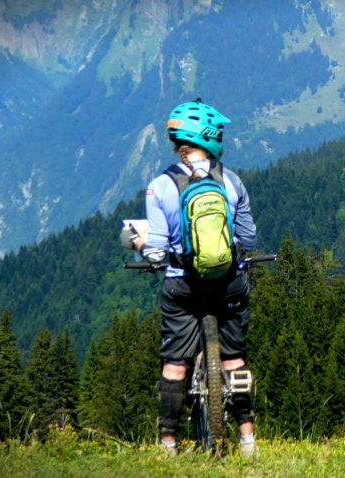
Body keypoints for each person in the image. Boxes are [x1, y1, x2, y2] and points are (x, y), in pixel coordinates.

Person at [130, 99, 258, 456]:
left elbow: (156, 252)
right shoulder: (231, 182)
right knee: (234, 359)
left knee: (174, 362)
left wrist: (138, 242)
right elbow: (248, 239)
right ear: (209, 138)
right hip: (229, 281)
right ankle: (247, 439)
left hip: (182, 284)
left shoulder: (160, 187)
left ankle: (168, 444)